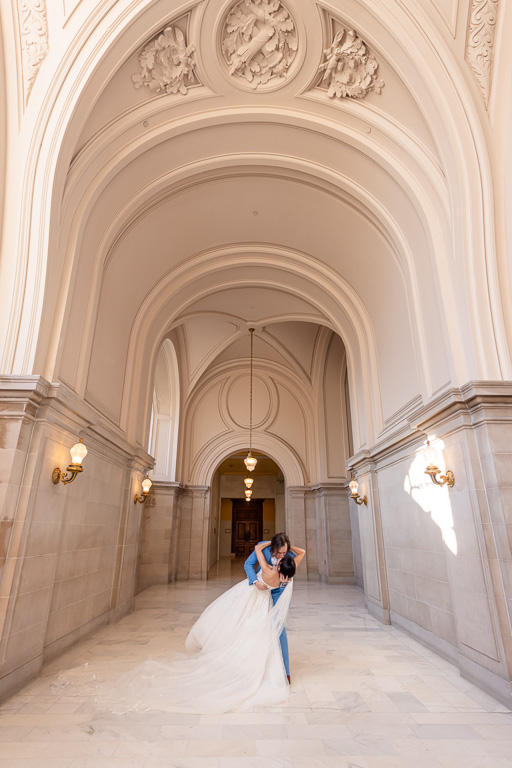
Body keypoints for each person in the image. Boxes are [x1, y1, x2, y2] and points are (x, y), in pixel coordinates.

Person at [56, 539, 303, 714]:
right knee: (249, 632)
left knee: (260, 633)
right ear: (277, 550)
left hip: (261, 600)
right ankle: (251, 663)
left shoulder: (275, 567)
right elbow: (253, 565)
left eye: (284, 555)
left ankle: (269, 666)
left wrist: (265, 549)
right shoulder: (284, 568)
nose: (282, 557)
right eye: (280, 553)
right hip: (254, 596)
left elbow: (264, 556)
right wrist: (261, 572)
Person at [244, 533, 306, 683]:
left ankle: (285, 670)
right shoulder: (265, 550)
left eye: (285, 552)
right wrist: (254, 582)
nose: (282, 555)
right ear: (273, 548)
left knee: (279, 628)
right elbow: (248, 564)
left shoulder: (287, 553)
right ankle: (256, 663)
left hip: (280, 592)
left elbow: (301, 552)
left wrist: (287, 549)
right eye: (280, 552)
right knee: (258, 625)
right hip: (261, 590)